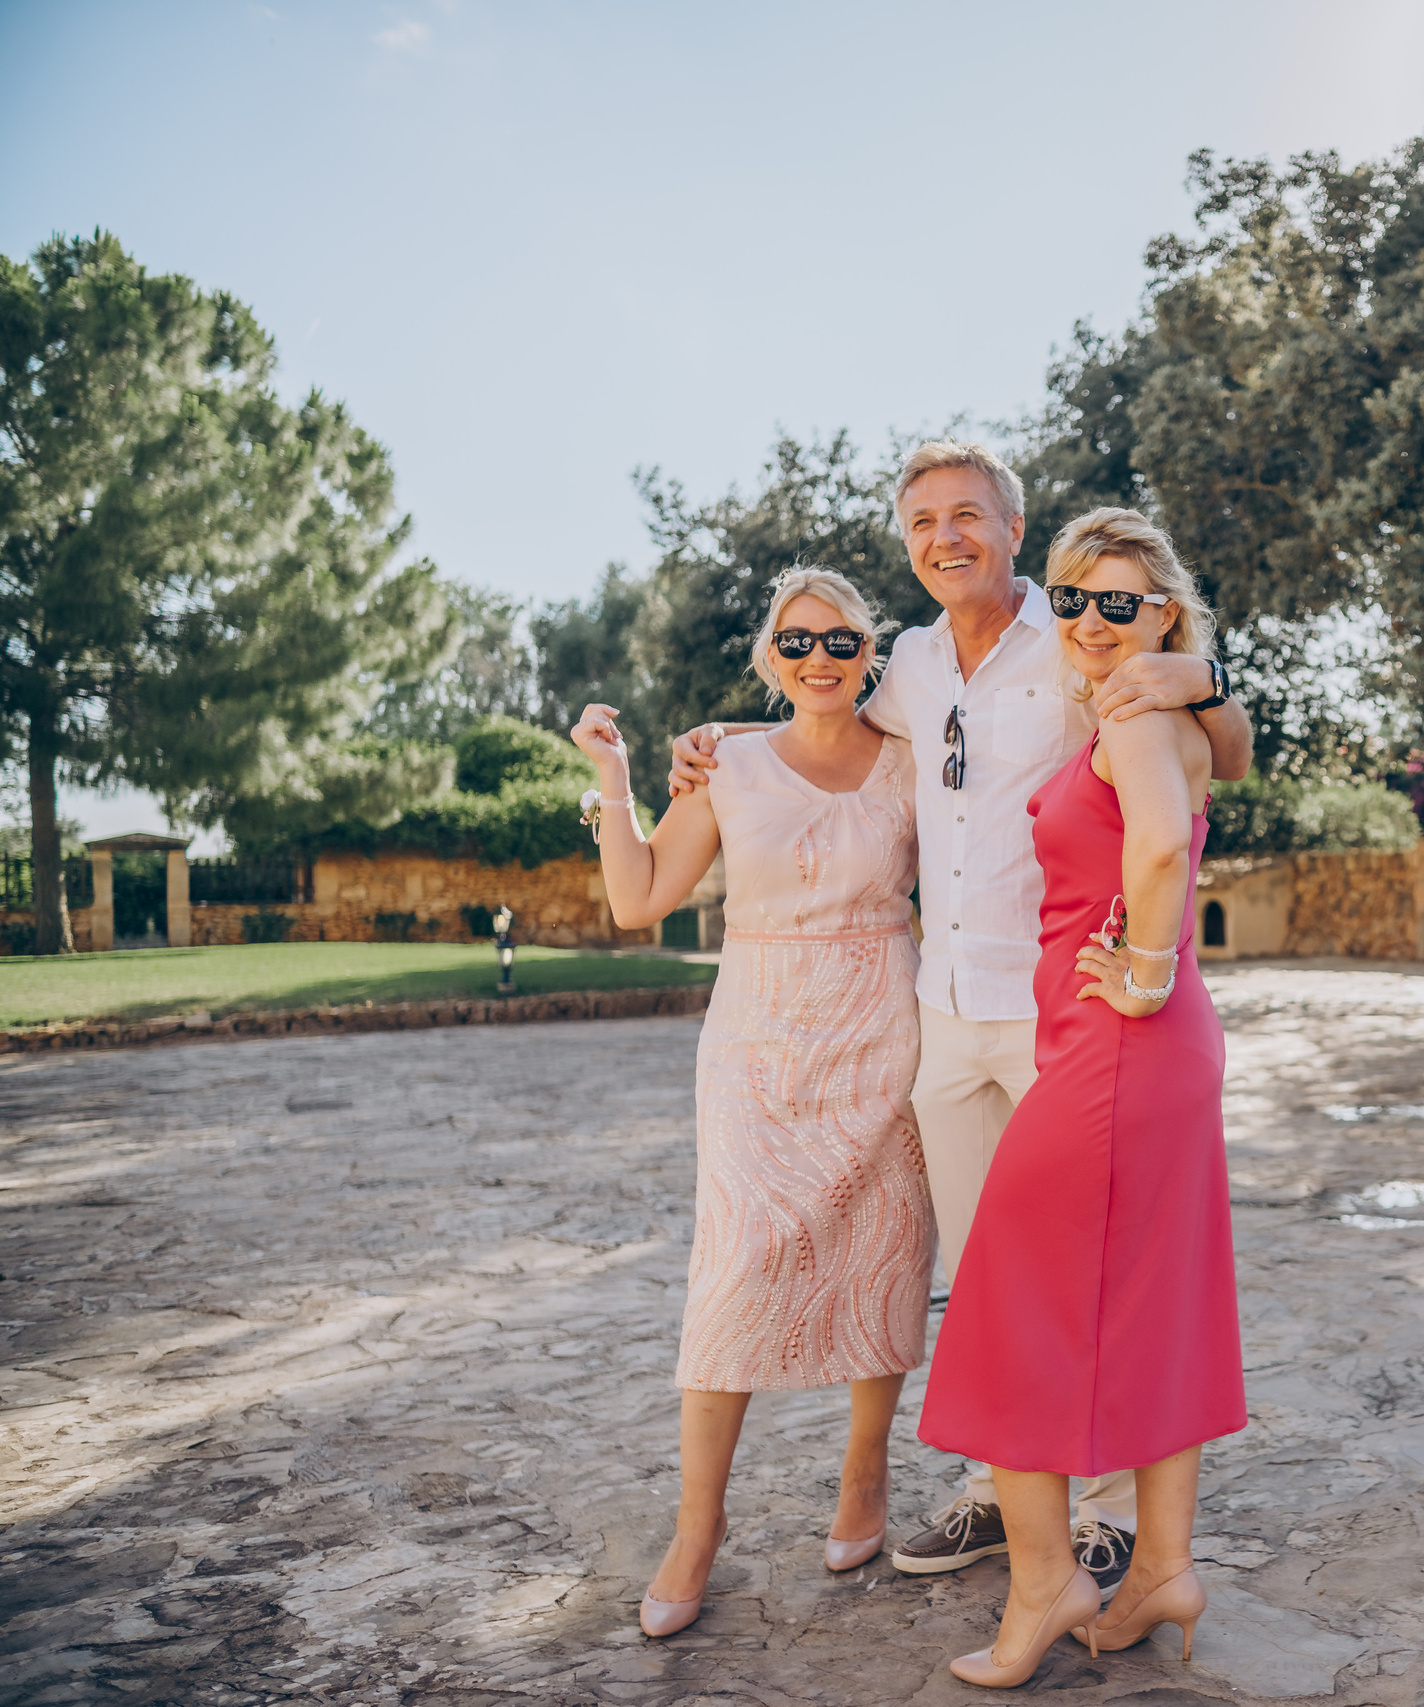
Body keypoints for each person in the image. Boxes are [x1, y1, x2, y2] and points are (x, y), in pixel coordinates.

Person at [662, 442, 1252, 1596]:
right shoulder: (910, 668)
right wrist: (716, 741)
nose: (947, 537)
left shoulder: (1084, 635)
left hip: (1064, 1014)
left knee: (1096, 1261)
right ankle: (997, 1493)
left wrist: (1205, 681)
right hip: (940, 1015)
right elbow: (816, 702)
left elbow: (1214, 760)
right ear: (908, 543)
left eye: (968, 515)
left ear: (1012, 528)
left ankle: (1110, 1514)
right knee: (987, 1273)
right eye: (924, 520)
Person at [572, 567, 934, 1639]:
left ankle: (865, 1476)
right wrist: (616, 777)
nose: (819, 658)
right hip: (758, 1047)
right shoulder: (725, 763)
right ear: (767, 656)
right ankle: (699, 1527)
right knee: (732, 1276)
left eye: (841, 641)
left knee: (887, 1252)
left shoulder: (917, 765)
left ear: (871, 652)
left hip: (884, 1033)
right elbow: (639, 899)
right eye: (796, 641)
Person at [919, 507, 1244, 1687]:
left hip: (1120, 1049)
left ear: (1161, 609)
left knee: (1005, 1304)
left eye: (1120, 602)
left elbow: (1158, 841)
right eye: (1073, 600)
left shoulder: (1136, 710)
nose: (1091, 622)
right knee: (1155, 1302)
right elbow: (1220, 767)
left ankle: (1046, 1579)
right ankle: (1159, 1570)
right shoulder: (1170, 703)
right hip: (1133, 1054)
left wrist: (1145, 974)